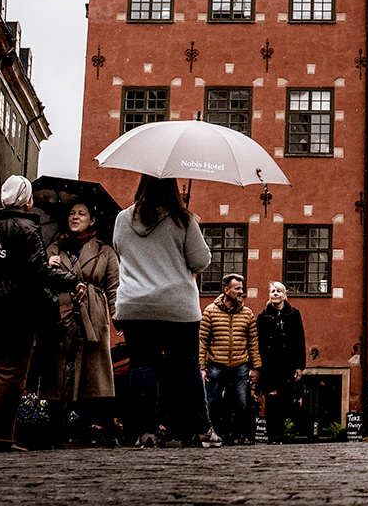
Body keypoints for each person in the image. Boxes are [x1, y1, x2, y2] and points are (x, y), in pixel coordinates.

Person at [0, 175, 82, 453]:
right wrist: (70, 279)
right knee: (11, 373)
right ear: (27, 201)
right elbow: (39, 273)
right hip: (16, 311)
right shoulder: (25, 229)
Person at [112, 174, 218, 449]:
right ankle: (201, 428)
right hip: (176, 306)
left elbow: (120, 252)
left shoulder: (123, 219)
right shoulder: (182, 220)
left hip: (135, 305)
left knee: (142, 366)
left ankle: (146, 432)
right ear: (173, 188)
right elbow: (200, 261)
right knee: (186, 368)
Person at [42, 201, 120, 445]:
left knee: (96, 372)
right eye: (72, 213)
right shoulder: (53, 249)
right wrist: (48, 267)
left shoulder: (105, 250)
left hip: (93, 314)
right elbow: (39, 280)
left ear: (92, 220)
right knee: (59, 370)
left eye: (82, 214)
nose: (75, 217)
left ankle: (105, 430)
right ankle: (56, 432)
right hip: (61, 313)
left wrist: (116, 313)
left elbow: (114, 286)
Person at [200, 272, 262, 445]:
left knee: (241, 404)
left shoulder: (247, 314)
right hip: (216, 365)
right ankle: (214, 435)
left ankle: (236, 437)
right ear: (227, 290)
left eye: (242, 288)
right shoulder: (210, 312)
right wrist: (201, 368)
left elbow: (253, 342)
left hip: (240, 365)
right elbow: (202, 341)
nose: (241, 291)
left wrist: (256, 368)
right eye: (237, 288)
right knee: (212, 402)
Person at [255, 281, 307, 442]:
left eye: (278, 291)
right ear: (269, 296)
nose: (275, 294)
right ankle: (272, 436)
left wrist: (300, 366)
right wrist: (257, 366)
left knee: (286, 399)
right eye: (272, 291)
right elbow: (258, 343)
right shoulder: (263, 317)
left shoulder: (294, 314)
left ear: (284, 295)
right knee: (271, 400)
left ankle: (280, 433)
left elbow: (300, 339)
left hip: (288, 364)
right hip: (270, 365)